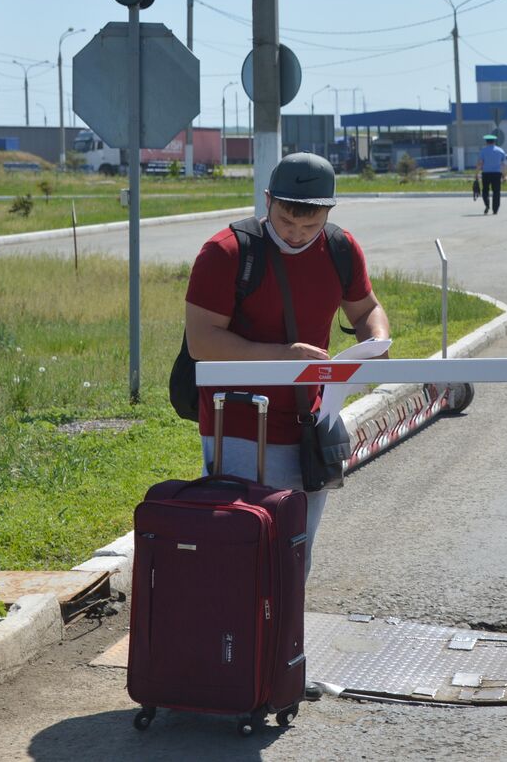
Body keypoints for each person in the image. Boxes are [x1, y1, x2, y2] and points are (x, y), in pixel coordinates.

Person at [184, 153, 389, 696]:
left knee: (295, 549)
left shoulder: (341, 248)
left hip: (308, 424)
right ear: (268, 202)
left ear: (329, 215)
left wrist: (376, 341)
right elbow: (203, 342)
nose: (297, 234)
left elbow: (366, 308)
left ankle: (280, 664)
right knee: (242, 547)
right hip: (238, 424)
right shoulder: (227, 252)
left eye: (310, 225)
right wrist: (284, 354)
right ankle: (230, 665)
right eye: (286, 221)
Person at [476, 133, 507, 215]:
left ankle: (487, 205)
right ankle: (495, 209)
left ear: (486, 142)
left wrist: (476, 174)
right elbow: (504, 165)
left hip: (486, 174)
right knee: (496, 192)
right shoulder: (500, 151)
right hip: (497, 174)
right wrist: (504, 175)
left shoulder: (483, 151)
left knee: (485, 191)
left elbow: (480, 163)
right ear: (494, 142)